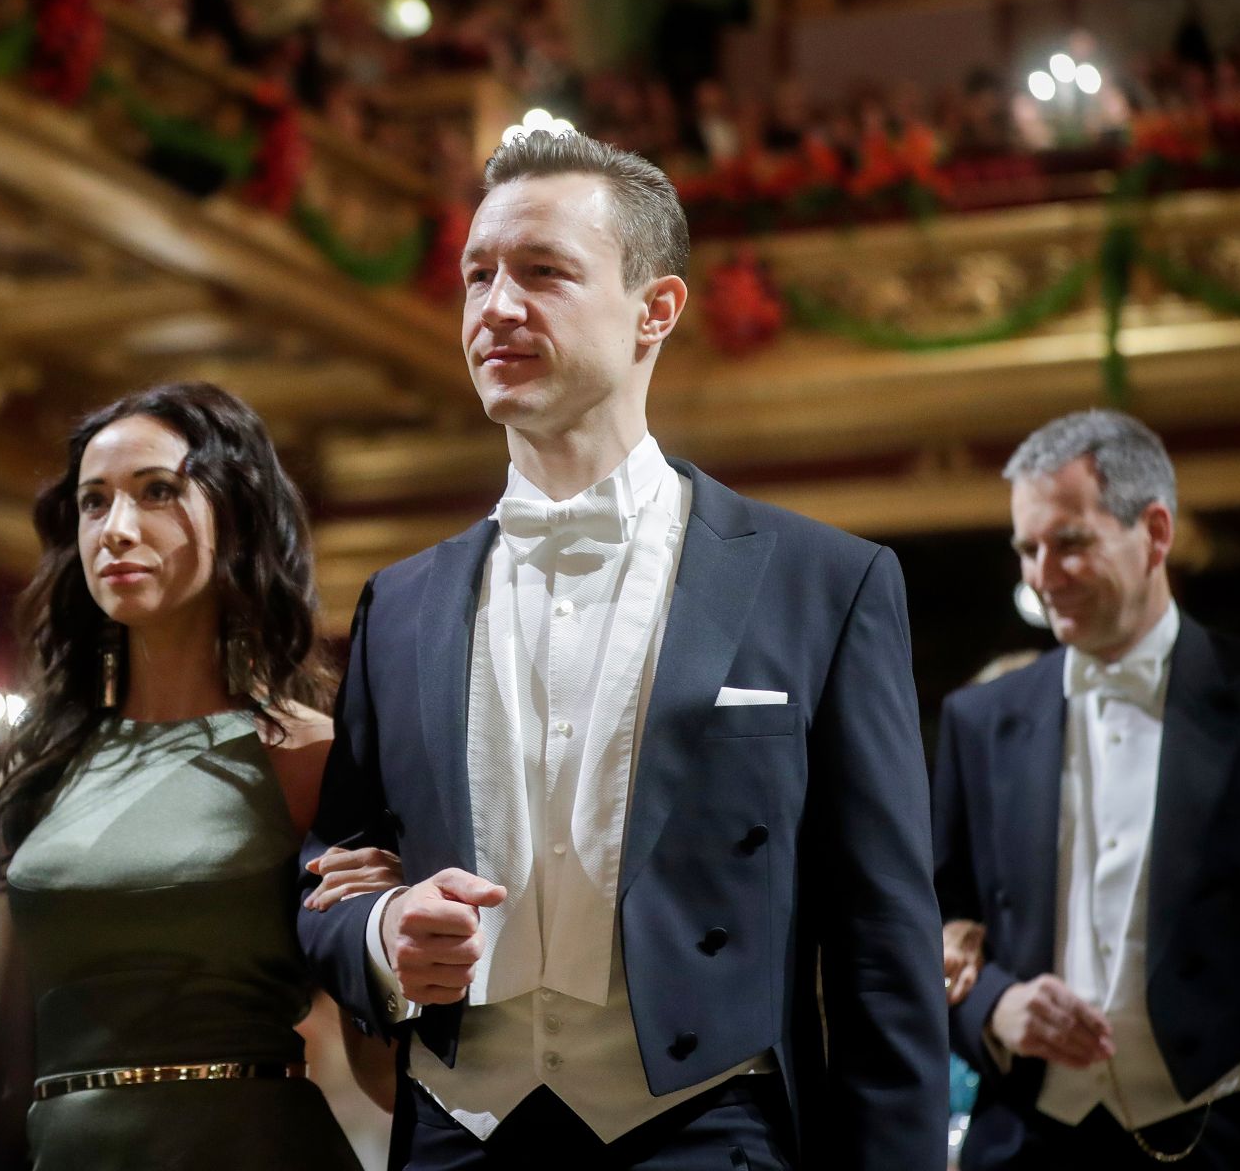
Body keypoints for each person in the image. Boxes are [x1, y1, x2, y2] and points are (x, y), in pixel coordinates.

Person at [298, 130, 948, 1169]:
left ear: (655, 311)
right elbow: (325, 870)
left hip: (709, 1133)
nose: (494, 307)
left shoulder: (823, 583)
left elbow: (883, 950)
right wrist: (379, 933)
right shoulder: (399, 601)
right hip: (454, 1139)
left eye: (542, 272)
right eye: (476, 275)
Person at [0, 382, 403, 1170]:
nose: (117, 530)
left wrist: (402, 947)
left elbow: (380, 1073)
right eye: (93, 503)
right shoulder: (40, 760)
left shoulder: (307, 754)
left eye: (159, 493)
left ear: (233, 518)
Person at [931, 410, 1240, 1170]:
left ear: (1155, 532)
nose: (1041, 576)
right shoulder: (977, 718)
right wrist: (996, 1007)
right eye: (1027, 549)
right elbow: (927, 922)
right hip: (1027, 1142)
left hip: (1221, 1132)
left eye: (1071, 542)